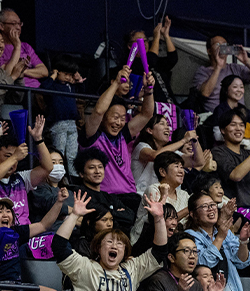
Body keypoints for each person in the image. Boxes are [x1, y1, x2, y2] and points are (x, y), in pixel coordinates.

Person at [52, 190, 167, 291]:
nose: (114, 246)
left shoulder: (132, 268)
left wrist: (159, 219)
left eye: (120, 243)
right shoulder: (85, 267)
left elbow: (159, 251)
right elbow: (59, 247)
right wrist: (74, 215)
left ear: (125, 251)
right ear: (99, 248)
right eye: (109, 242)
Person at [80, 65, 155, 211]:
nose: (119, 122)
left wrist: (148, 91)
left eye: (122, 118)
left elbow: (147, 114)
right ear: (104, 118)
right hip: (106, 198)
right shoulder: (92, 136)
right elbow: (99, 110)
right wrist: (116, 83)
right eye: (115, 117)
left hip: (130, 196)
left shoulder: (123, 135)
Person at [0, 118, 54, 223]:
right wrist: (15, 157)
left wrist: (38, 139)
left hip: (24, 231)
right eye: (8, 156)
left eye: (16, 157)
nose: (14, 162)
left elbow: (47, 168)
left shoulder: (22, 178)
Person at [185, 193, 250, 291]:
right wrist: (220, 237)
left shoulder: (225, 231)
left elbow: (242, 263)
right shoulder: (189, 236)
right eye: (204, 206)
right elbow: (204, 262)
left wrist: (243, 241)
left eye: (212, 205)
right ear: (193, 214)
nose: (211, 209)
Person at [212, 108, 250, 207]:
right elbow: (236, 176)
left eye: (241, 125)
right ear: (223, 130)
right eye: (233, 124)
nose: (238, 128)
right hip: (232, 210)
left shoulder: (249, 154)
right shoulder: (218, 152)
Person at [192, 38, 250, 113]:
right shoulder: (203, 71)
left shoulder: (234, 68)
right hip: (216, 115)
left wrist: (246, 61)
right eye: (217, 44)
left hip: (239, 115)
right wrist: (218, 67)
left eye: (224, 44)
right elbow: (205, 93)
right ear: (209, 51)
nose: (222, 47)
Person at [131, 113, 195, 196]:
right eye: (162, 124)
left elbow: (196, 161)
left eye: (167, 125)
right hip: (143, 197)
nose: (167, 128)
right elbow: (155, 156)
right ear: (149, 130)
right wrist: (184, 140)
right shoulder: (141, 147)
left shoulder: (172, 152)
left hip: (169, 199)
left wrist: (194, 138)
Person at [72, 148, 136, 230]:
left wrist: (106, 212)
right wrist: (115, 212)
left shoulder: (109, 197)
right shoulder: (79, 193)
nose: (97, 171)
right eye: (92, 167)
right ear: (81, 173)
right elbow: (94, 216)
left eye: (100, 167)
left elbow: (130, 217)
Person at [0, 8, 48, 88]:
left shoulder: (26, 46)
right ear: (1, 26)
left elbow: (44, 72)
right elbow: (6, 74)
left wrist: (22, 71)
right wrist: (17, 46)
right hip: (17, 90)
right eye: (14, 24)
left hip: (37, 88)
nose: (18, 28)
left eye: (19, 24)